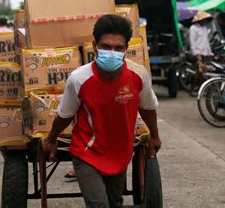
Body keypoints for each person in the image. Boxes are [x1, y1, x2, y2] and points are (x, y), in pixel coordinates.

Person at [42, 14, 161, 208]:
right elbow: (65, 114)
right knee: (99, 205)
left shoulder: (138, 75)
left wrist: (154, 136)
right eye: (106, 47)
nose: (112, 52)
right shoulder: (79, 79)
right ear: (95, 46)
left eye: (118, 48)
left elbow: (148, 107)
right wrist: (52, 139)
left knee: (115, 203)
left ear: (126, 49)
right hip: (87, 152)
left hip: (120, 152)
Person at [190, 11, 213, 89]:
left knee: (204, 72)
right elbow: (192, 41)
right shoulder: (193, 28)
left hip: (205, 53)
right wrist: (196, 53)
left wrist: (210, 53)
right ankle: (193, 87)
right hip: (198, 53)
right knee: (200, 71)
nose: (205, 21)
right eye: (204, 19)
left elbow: (206, 42)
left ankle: (200, 87)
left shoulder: (204, 28)